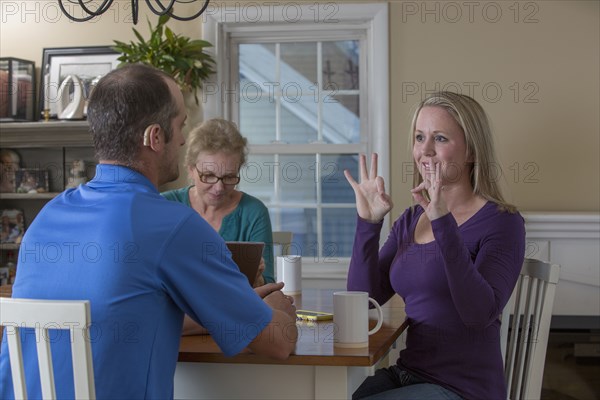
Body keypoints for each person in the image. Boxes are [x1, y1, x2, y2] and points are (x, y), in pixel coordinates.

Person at [0, 64, 297, 400]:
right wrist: (278, 304)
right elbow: (278, 343)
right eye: (180, 125)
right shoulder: (174, 225)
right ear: (155, 137)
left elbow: (121, 313)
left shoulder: (46, 216)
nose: (184, 139)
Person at [344, 92, 525, 400]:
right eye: (419, 137)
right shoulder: (412, 218)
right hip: (407, 374)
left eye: (439, 138)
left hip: (463, 389)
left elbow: (478, 313)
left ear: (471, 151)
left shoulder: (502, 222)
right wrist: (368, 224)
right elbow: (364, 300)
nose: (424, 151)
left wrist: (442, 222)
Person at [162, 118, 274, 286]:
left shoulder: (254, 212)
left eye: (229, 177)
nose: (219, 187)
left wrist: (258, 279)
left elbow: (268, 284)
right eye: (208, 175)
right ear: (191, 169)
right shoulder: (166, 205)